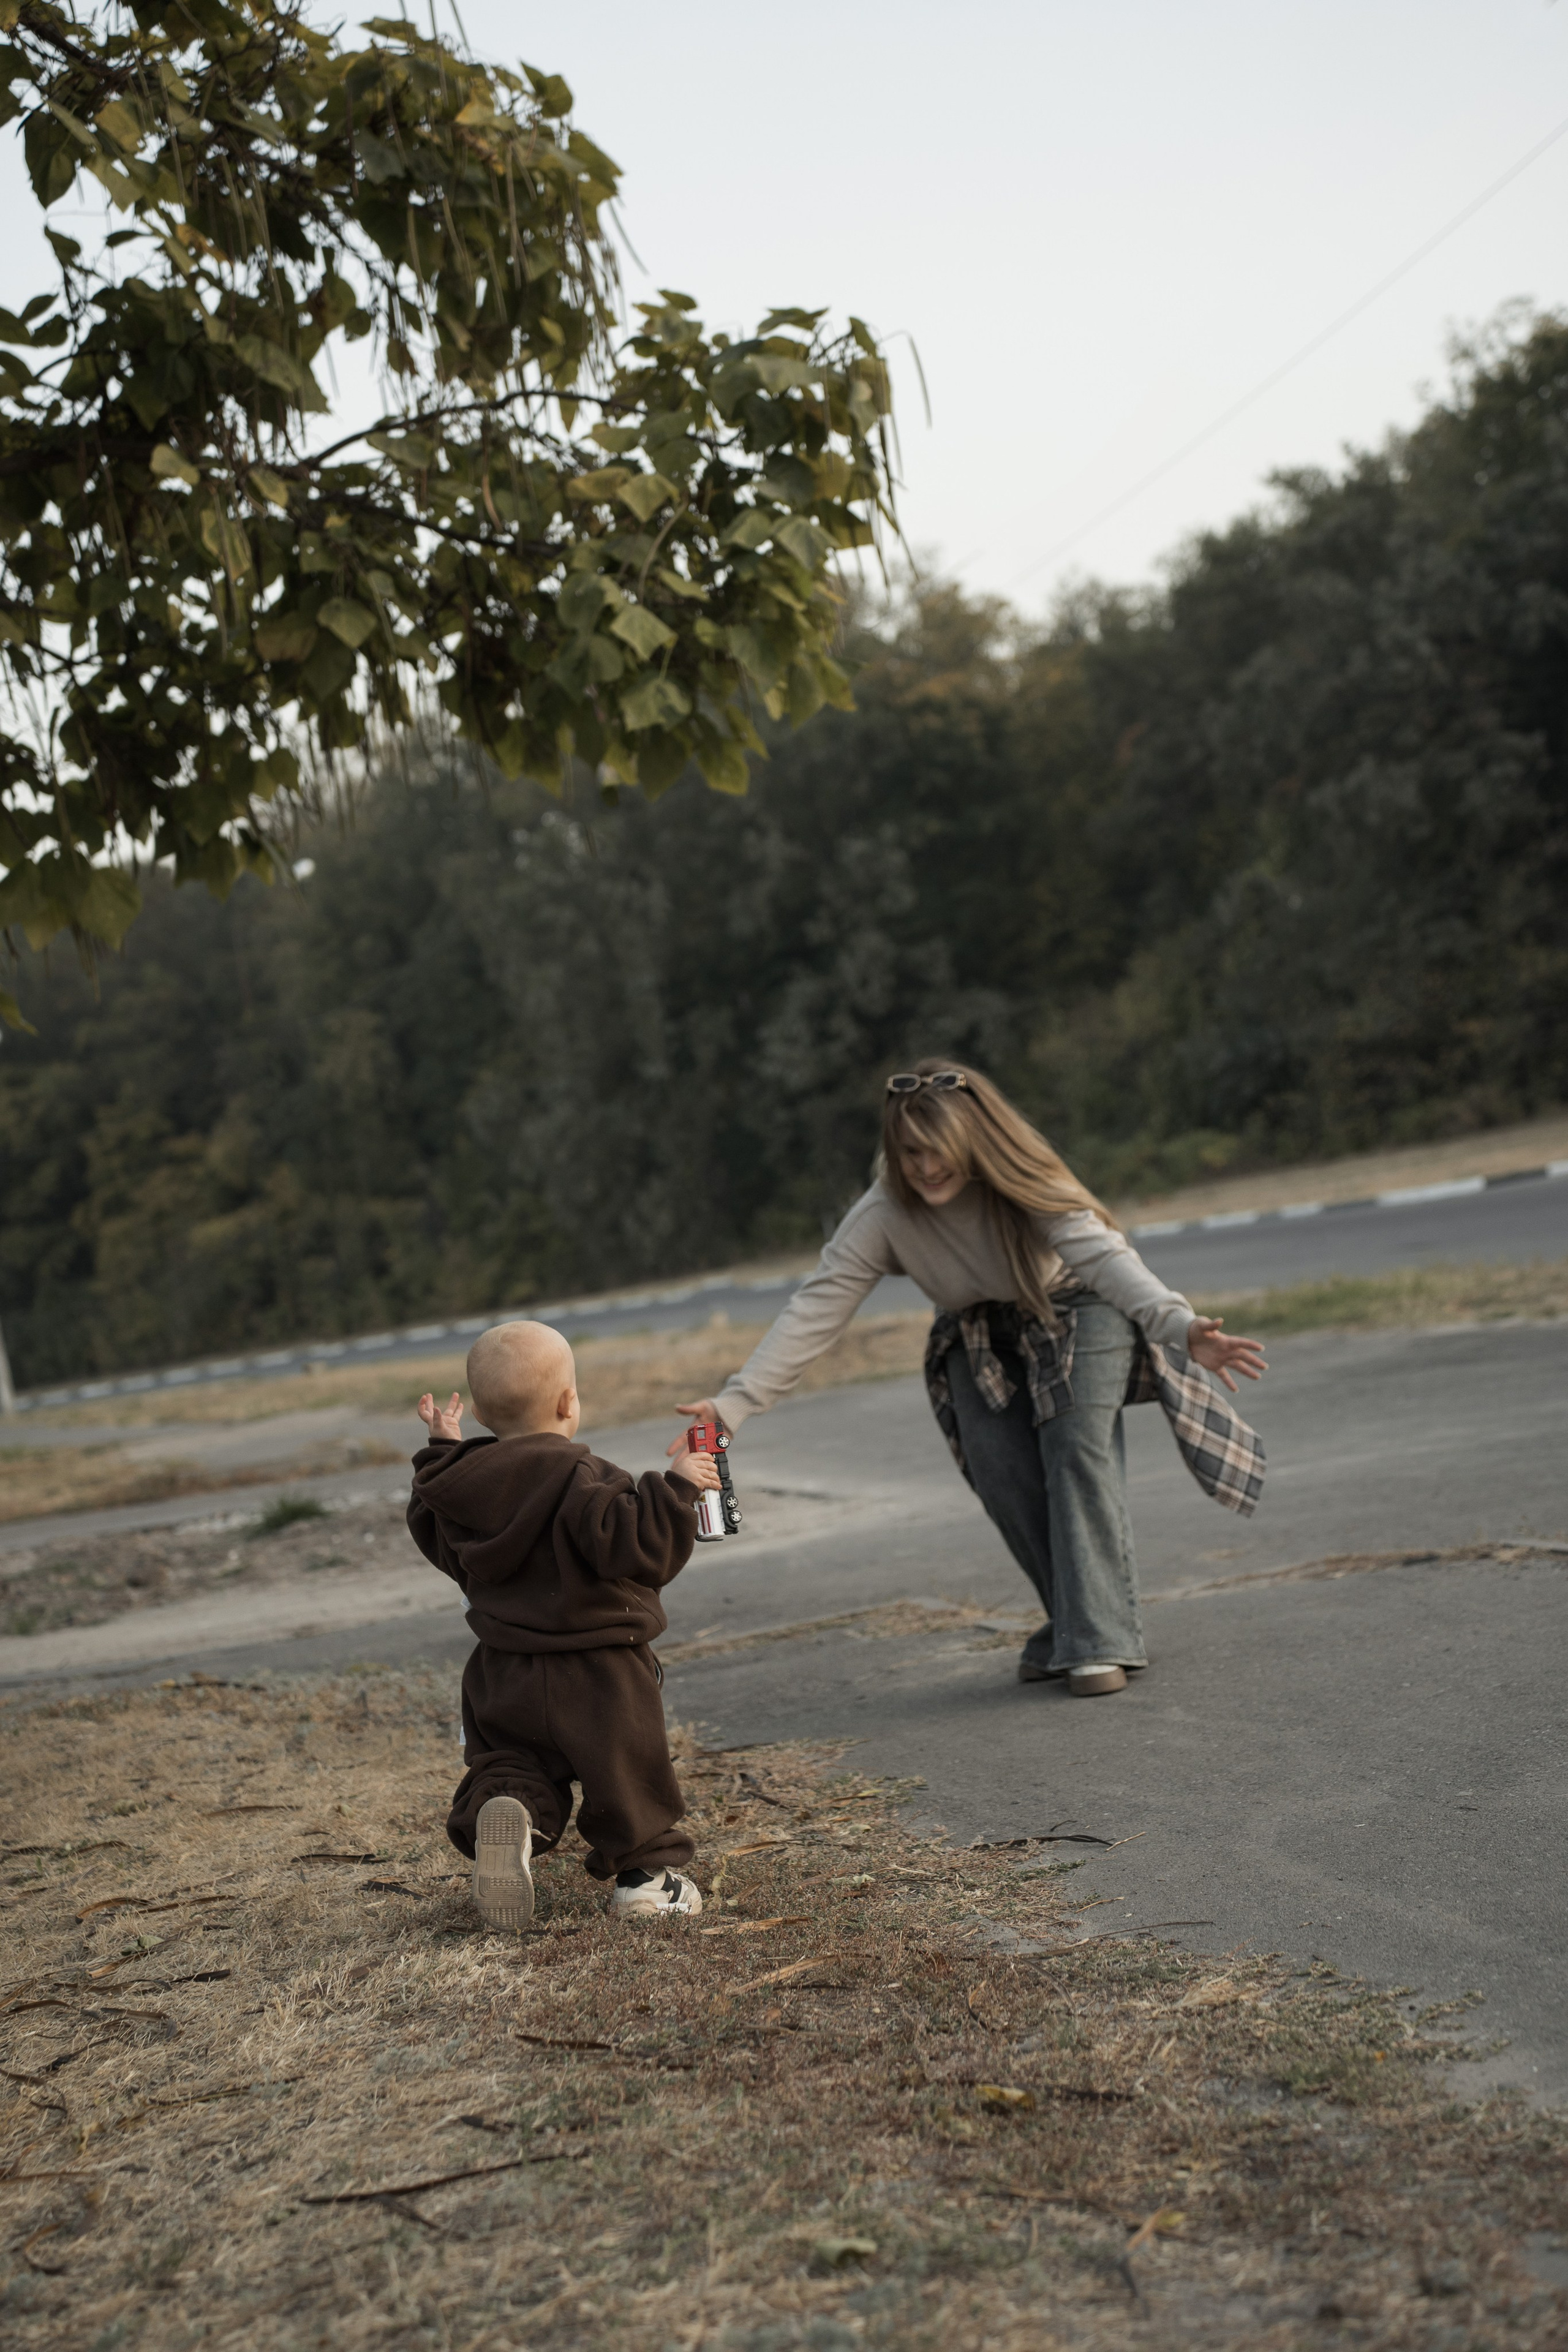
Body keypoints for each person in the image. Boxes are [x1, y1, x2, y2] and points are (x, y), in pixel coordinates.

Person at [668, 1061, 1267, 1698]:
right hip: (976, 1328)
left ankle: (1096, 1643)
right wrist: (732, 1407)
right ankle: (1074, 1624)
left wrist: (1180, 1325)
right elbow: (817, 1308)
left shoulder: (1023, 1184)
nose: (925, 1168)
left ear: (974, 1144)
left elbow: (1104, 1258)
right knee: (997, 1467)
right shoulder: (883, 1212)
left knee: (1074, 1449)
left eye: (940, 1153)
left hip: (1077, 1308)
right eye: (910, 1153)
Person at [409, 1318, 718, 1928]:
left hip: (504, 1674)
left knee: (513, 1764)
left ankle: (510, 1812)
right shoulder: (586, 1480)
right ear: (568, 1401)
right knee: (626, 1774)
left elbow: (435, 1521)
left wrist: (444, 1453)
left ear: (479, 1411)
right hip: (599, 1674)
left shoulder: (465, 1493)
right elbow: (639, 1550)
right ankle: (645, 1882)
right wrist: (677, 1489)